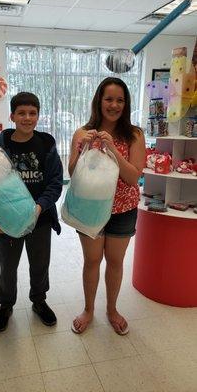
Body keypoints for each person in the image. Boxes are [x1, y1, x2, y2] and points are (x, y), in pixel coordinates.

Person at [0, 92, 63, 332]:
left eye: (32, 113)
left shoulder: (46, 144)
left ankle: (39, 301)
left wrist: (38, 208)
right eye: (22, 113)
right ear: (12, 116)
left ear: (38, 115)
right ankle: (6, 305)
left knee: (39, 264)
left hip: (40, 219)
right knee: (8, 266)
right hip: (7, 221)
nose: (27, 118)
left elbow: (56, 182)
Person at [68, 77, 146, 335]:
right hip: (89, 208)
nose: (114, 105)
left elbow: (134, 177)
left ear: (126, 103)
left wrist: (112, 148)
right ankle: (89, 310)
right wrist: (83, 150)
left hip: (123, 209)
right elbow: (72, 173)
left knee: (115, 261)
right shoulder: (82, 132)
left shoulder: (134, 134)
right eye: (109, 99)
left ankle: (112, 309)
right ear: (99, 101)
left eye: (120, 100)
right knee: (91, 260)